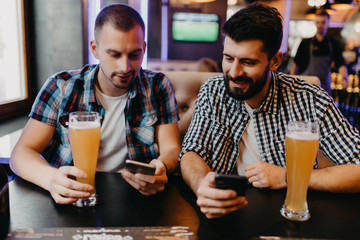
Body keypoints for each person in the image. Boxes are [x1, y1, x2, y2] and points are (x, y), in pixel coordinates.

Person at [180, 3, 360, 219]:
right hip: (220, 215)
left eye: (248, 62)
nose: (234, 72)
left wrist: (289, 177)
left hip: (285, 216)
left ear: (275, 61)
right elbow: (192, 151)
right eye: (228, 58)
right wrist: (201, 185)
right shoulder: (213, 90)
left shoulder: (310, 99)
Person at [10, 4, 181, 204]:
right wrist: (50, 179)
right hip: (70, 199)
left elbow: (172, 148)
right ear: (95, 49)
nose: (125, 67)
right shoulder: (62, 86)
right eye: (114, 54)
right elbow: (21, 153)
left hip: (136, 198)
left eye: (134, 54)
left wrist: (161, 167)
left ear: (144, 48)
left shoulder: (158, 86)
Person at [290, 9, 348, 95]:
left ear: (328, 23)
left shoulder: (334, 43)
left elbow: (341, 64)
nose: (320, 25)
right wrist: (292, 83)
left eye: (323, 22)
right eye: (318, 22)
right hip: (306, 85)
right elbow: (295, 64)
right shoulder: (305, 43)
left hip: (324, 86)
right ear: (315, 23)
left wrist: (344, 78)